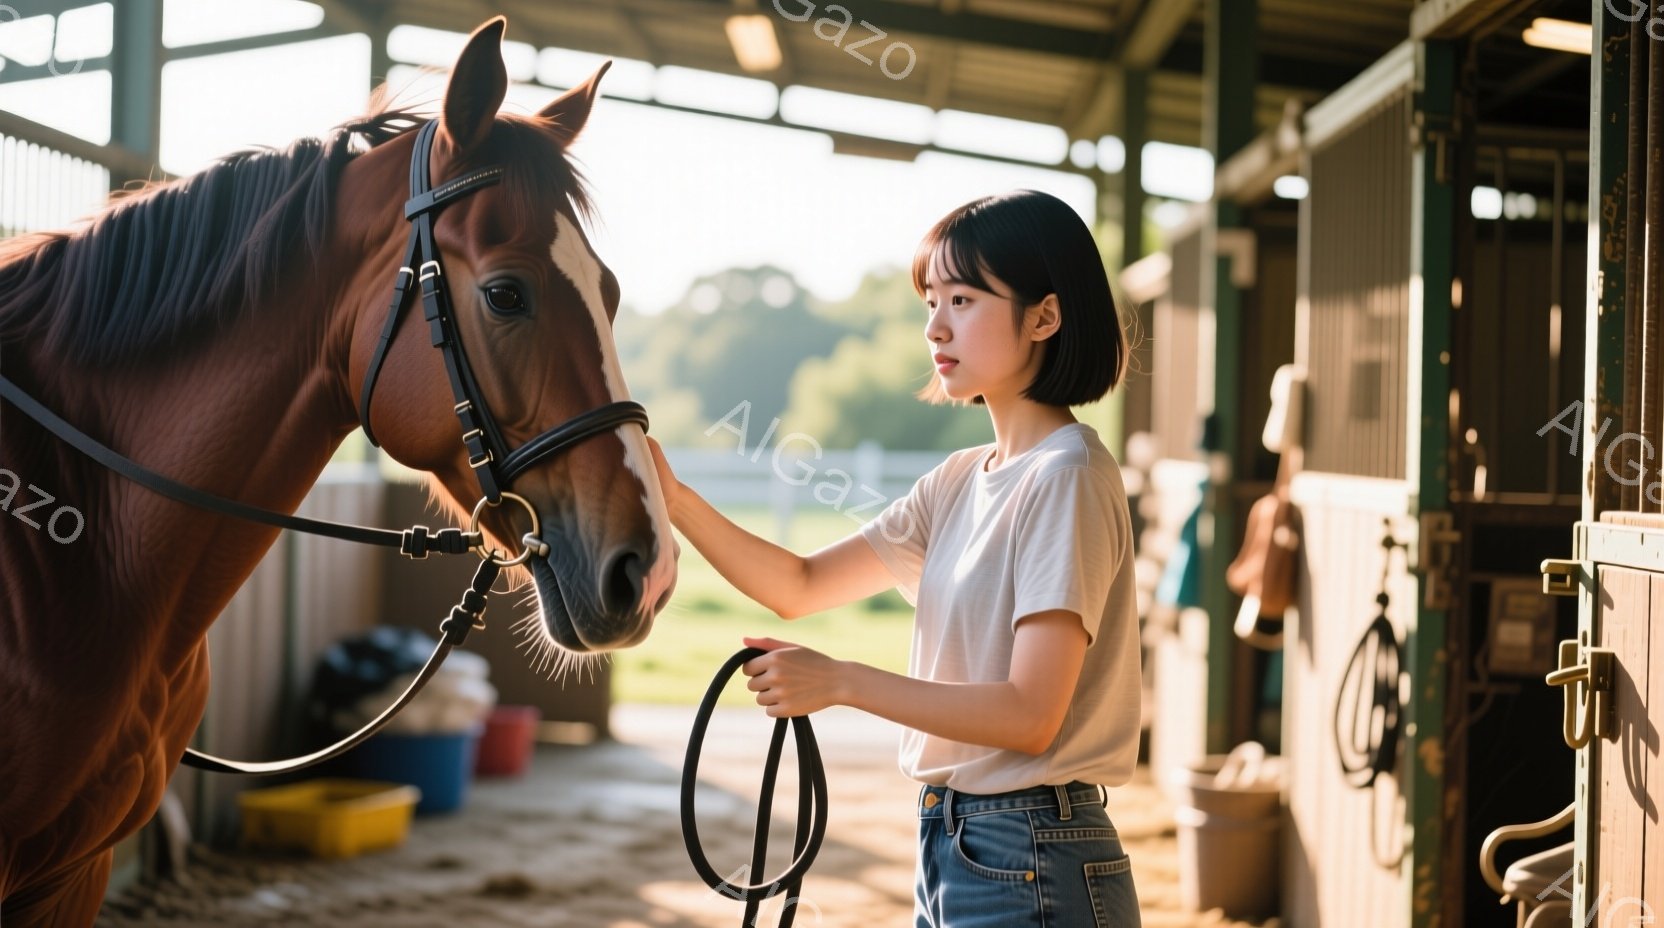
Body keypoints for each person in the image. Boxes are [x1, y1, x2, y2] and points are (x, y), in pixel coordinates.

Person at [646, 189, 1143, 927]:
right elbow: (800, 584)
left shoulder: (1064, 478)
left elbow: (1031, 714)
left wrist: (841, 680)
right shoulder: (956, 482)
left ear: (1044, 316)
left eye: (965, 300)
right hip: (955, 839)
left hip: (1031, 847)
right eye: (931, 300)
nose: (935, 326)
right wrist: (675, 499)